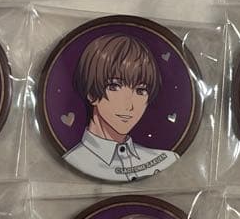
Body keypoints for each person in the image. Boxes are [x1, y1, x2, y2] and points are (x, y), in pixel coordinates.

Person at [62, 33, 180, 181]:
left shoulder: (167, 160)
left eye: (140, 90)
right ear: (91, 93)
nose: (129, 106)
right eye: (114, 86)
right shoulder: (72, 161)